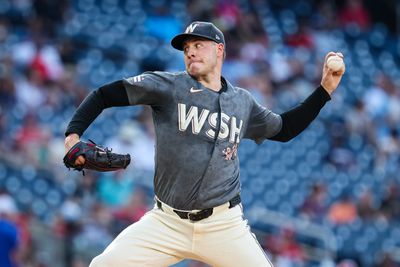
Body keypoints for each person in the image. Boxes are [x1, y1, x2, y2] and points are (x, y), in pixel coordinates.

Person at [64, 21, 345, 266]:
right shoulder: (168, 86)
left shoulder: (242, 102)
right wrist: (73, 135)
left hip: (223, 225)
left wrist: (324, 91)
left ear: (219, 50)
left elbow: (284, 129)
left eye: (198, 44)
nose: (190, 51)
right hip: (167, 222)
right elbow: (103, 95)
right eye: (186, 48)